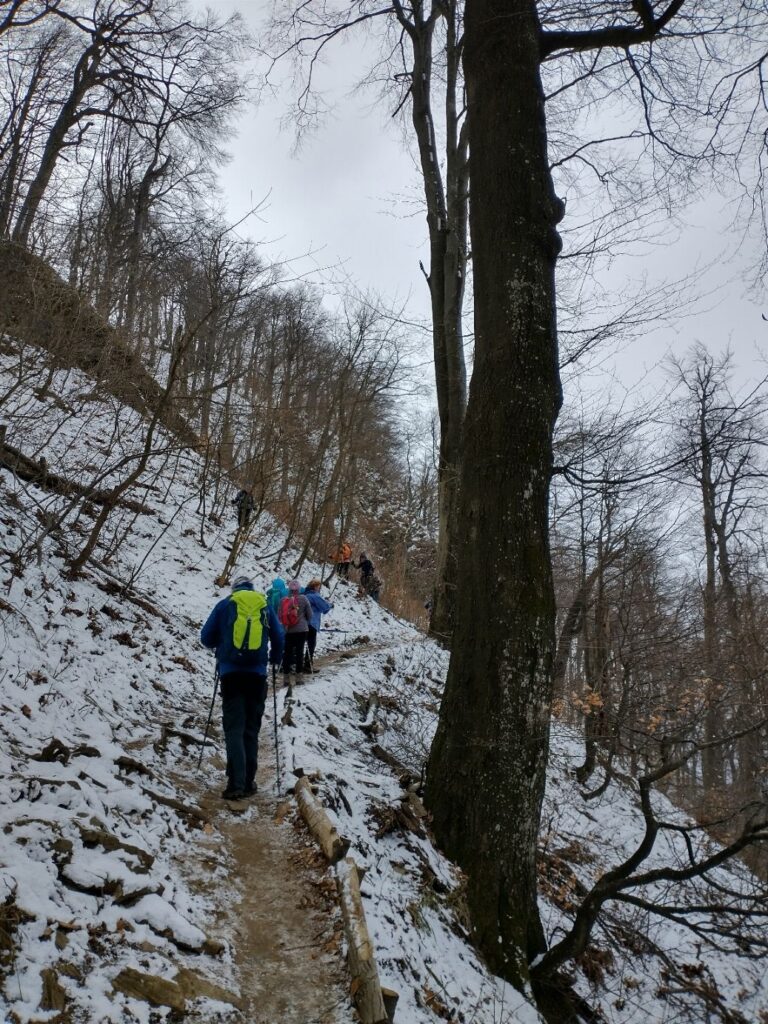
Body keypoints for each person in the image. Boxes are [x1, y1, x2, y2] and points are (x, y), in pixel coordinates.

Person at [200, 576, 283, 801]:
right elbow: (279, 636)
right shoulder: (264, 605)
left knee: (234, 728)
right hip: (257, 675)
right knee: (251, 729)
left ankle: (235, 784)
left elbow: (206, 638)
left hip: (231, 675)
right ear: (252, 588)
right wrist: (275, 658)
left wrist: (222, 643)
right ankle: (248, 782)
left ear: (234, 589)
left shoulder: (226, 604)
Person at [279, 579, 313, 677]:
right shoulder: (304, 599)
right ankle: (299, 676)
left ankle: (286, 676)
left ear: (289, 589)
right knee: (299, 652)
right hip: (301, 630)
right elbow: (310, 615)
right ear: (299, 589)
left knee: (287, 652)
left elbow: (280, 616)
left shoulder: (283, 600)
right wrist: (304, 620)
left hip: (288, 630)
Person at [303, 579, 333, 671]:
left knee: (299, 643)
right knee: (311, 644)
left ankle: (295, 663)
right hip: (312, 623)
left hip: (301, 623)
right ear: (315, 587)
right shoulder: (315, 596)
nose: (319, 588)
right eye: (318, 586)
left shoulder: (304, 595)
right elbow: (324, 607)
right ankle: (308, 665)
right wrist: (330, 604)